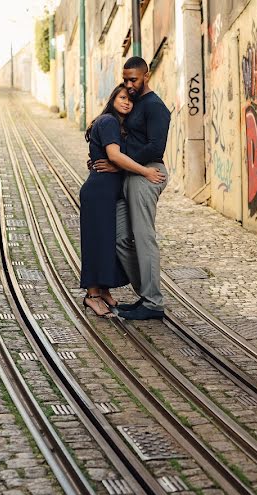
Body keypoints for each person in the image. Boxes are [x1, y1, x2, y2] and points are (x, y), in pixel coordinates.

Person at [93, 56, 171, 321]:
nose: (128, 85)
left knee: (143, 237)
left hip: (147, 173)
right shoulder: (134, 103)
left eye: (133, 79)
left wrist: (119, 161)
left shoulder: (156, 107)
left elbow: (155, 147)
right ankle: (146, 295)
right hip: (131, 174)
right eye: (125, 79)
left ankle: (153, 302)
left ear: (146, 76)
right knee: (122, 238)